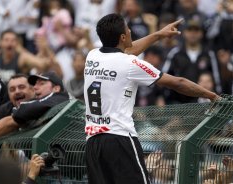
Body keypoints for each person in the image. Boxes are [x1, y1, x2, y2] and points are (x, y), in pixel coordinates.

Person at [84, 13, 219, 184]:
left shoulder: (92, 56)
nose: (131, 30)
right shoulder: (130, 64)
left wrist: (158, 34)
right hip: (119, 139)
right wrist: (211, 95)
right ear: (123, 36)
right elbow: (178, 82)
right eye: (128, 28)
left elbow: (126, 52)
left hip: (92, 142)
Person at [0, 72, 69, 145]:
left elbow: (13, 120)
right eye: (12, 89)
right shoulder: (15, 104)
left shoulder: (60, 98)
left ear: (56, 88)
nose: (36, 87)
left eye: (41, 83)